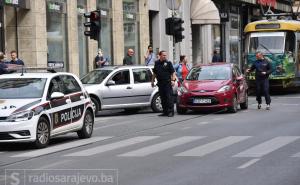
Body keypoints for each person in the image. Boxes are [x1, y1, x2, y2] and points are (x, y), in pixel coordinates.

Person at [151, 51, 177, 117]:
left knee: (169, 98)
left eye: (165, 55)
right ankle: (165, 112)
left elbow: (173, 72)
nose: (165, 56)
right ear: (160, 55)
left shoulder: (168, 63)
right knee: (163, 98)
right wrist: (152, 81)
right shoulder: (157, 63)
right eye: (163, 55)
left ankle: (170, 112)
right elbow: (155, 73)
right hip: (160, 83)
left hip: (167, 83)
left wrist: (173, 80)